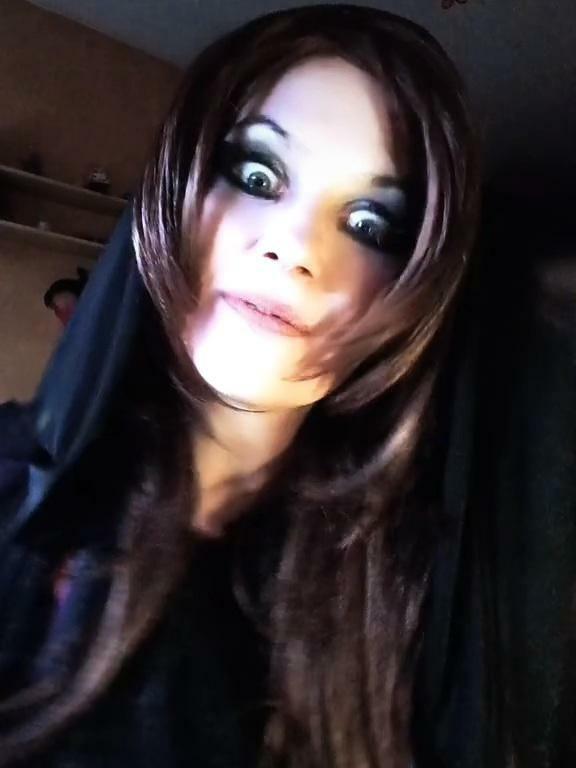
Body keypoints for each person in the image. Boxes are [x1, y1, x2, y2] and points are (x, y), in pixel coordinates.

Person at [3, 4, 567, 767]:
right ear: (177, 187)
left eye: (370, 225)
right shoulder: (16, 486)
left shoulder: (422, 597)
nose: (295, 247)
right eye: (258, 176)